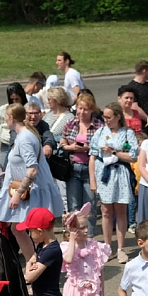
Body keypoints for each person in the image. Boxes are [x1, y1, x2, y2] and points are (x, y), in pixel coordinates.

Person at [0, 103, 63, 247]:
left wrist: (17, 194)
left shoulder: (25, 138)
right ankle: (33, 258)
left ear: (12, 118)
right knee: (18, 229)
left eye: (6, 117)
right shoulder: (23, 135)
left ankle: (43, 259)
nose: (5, 120)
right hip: (31, 191)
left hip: (33, 192)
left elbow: (32, 169)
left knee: (37, 231)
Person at [89, 101, 138, 263]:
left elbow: (133, 156)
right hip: (104, 175)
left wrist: (114, 152)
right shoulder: (100, 132)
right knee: (105, 211)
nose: (106, 120)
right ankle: (107, 247)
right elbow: (93, 156)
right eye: (105, 116)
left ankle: (121, 248)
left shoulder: (127, 133)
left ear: (118, 117)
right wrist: (92, 181)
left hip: (120, 174)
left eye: (109, 117)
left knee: (121, 211)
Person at [59, 206, 112, 296]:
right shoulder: (66, 247)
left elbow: (100, 269)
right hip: (76, 289)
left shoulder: (94, 246)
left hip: (92, 288)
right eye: (81, 228)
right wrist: (71, 239)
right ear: (73, 230)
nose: (86, 231)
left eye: (86, 227)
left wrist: (102, 288)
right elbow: (68, 259)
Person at [18, 208, 64, 296]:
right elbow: (33, 258)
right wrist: (31, 261)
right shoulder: (42, 246)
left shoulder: (51, 251)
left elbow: (29, 277)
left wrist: (28, 266)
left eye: (30, 231)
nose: (29, 235)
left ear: (39, 231)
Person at [61, 92, 101, 231]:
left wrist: (88, 149)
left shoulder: (98, 126)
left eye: (86, 109)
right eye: (80, 108)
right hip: (73, 169)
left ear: (92, 110)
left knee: (90, 206)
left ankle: (88, 236)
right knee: (73, 206)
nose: (82, 112)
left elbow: (101, 148)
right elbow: (62, 143)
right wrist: (72, 147)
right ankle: (74, 236)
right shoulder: (71, 124)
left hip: (90, 170)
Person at [0, 83, 27, 163]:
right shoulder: (4, 109)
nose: (14, 102)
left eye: (17, 99)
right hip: (6, 145)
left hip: (24, 144)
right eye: (12, 100)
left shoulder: (28, 109)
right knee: (4, 168)